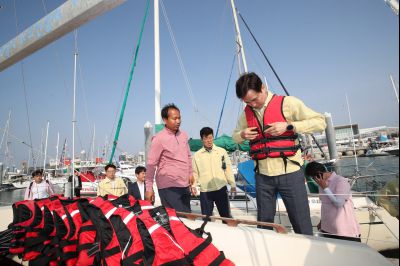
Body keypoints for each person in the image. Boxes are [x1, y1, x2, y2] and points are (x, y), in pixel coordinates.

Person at [232, 72, 326, 235]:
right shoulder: (246, 114)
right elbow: (235, 136)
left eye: (254, 99)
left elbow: (320, 122)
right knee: (264, 226)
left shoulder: (288, 103)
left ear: (263, 88)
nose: (252, 105)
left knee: (301, 223)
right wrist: (242, 135)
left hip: (290, 174)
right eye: (248, 102)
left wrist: (289, 126)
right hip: (262, 177)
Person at [145, 103, 193, 212]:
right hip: (168, 186)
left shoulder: (184, 135)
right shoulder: (159, 138)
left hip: (184, 184)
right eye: (174, 118)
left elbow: (188, 156)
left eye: (179, 118)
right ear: (165, 120)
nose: (178, 121)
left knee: (187, 218)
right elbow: (151, 164)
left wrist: (190, 173)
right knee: (178, 220)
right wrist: (149, 188)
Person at [305, 161, 361, 242]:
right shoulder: (321, 184)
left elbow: (339, 203)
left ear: (319, 174)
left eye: (314, 178)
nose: (314, 180)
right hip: (327, 229)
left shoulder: (341, 181)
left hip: (344, 231)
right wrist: (322, 221)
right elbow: (325, 205)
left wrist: (325, 188)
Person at [192, 127, 236, 218]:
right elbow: (195, 173)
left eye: (210, 137)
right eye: (206, 138)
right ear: (201, 139)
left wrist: (233, 185)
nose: (209, 140)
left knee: (226, 217)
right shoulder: (196, 155)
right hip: (205, 191)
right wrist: (193, 186)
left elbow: (227, 169)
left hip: (221, 189)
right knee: (206, 218)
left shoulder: (222, 152)